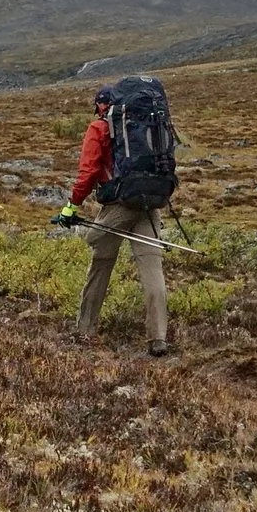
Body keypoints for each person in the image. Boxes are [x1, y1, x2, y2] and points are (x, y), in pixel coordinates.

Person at [61, 77, 178, 356]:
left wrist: (71, 206)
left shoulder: (100, 127)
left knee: (99, 258)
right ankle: (158, 338)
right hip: (151, 202)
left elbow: (88, 172)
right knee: (152, 267)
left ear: (100, 105)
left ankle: (85, 329)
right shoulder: (148, 124)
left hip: (119, 204)